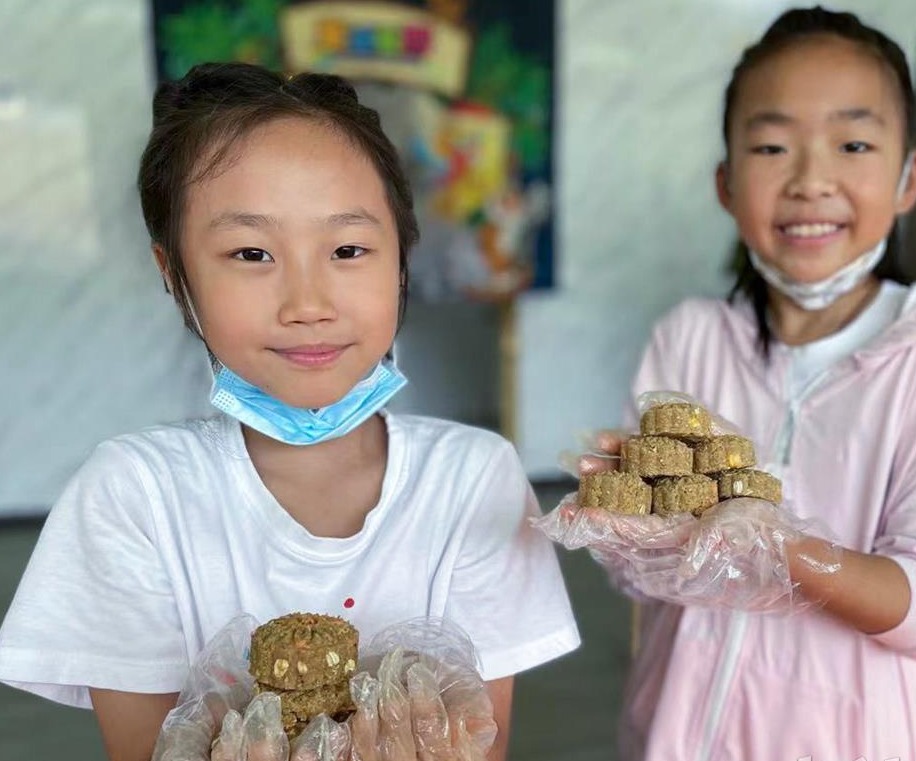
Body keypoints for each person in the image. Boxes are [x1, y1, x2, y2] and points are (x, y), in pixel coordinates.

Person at [0, 62, 579, 761]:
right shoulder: (131, 496)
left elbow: (481, 745)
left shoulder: (473, 479)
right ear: (173, 274)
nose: (308, 302)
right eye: (251, 252)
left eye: (347, 248)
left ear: (401, 260)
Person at [586, 7, 916, 761]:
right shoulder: (688, 337)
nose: (812, 181)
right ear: (726, 182)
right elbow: (644, 581)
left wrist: (781, 549)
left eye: (852, 143)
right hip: (675, 737)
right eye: (772, 145)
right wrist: (631, 533)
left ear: (909, 175)